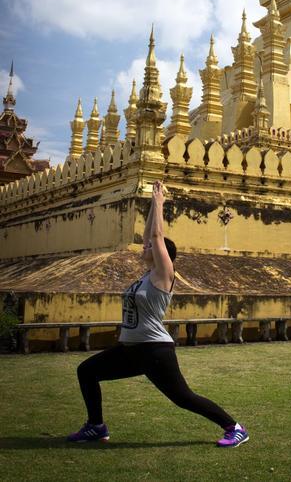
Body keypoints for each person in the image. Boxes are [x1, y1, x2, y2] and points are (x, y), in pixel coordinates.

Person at [67, 181, 248, 448]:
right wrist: (152, 201)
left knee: (182, 397)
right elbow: (149, 236)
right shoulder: (145, 277)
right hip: (130, 349)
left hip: (154, 350)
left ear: (165, 255)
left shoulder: (164, 275)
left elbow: (156, 236)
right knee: (87, 371)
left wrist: (160, 204)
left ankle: (234, 427)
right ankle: (96, 426)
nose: (145, 247)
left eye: (150, 248)